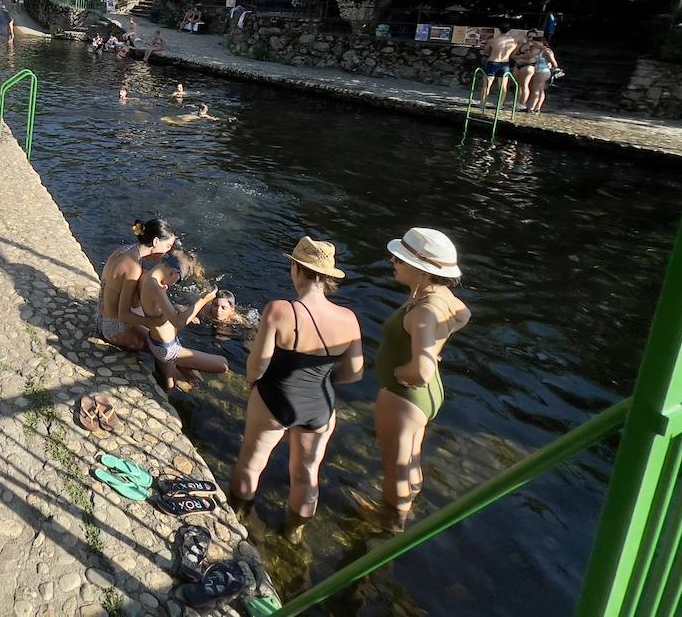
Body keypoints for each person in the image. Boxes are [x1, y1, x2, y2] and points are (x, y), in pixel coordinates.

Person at [229, 237, 364, 543]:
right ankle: (294, 534)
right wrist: (322, 379)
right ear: (328, 277)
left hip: (276, 396)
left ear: (297, 269)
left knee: (251, 462)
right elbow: (354, 373)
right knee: (306, 474)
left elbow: (256, 367)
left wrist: (255, 388)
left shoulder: (280, 311)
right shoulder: (349, 319)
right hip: (320, 404)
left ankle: (238, 518)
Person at [366, 228, 471, 531]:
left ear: (422, 270)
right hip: (425, 397)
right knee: (411, 460)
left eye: (400, 259)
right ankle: (407, 507)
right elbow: (464, 316)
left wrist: (399, 372)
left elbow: (421, 371)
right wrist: (435, 346)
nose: (393, 262)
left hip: (403, 396)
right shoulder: (442, 297)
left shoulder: (425, 311)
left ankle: (390, 525)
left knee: (395, 468)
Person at [127, 220, 225, 392]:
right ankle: (177, 369)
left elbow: (162, 314)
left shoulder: (149, 277)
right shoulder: (156, 286)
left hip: (161, 342)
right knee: (223, 364)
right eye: (178, 281)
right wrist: (203, 300)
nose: (175, 284)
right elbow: (179, 322)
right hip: (166, 348)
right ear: (174, 272)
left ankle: (176, 382)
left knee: (181, 383)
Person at [96, 221, 180, 352]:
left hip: (100, 317)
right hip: (113, 329)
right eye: (168, 246)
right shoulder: (133, 267)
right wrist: (156, 323)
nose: (167, 253)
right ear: (156, 241)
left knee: (147, 278)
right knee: (166, 349)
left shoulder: (126, 250)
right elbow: (124, 315)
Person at [478, 24, 519, 107]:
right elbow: (513, 54)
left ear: (499, 29)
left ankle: (483, 103)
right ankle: (500, 104)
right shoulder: (513, 41)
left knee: (487, 84)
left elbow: (485, 51)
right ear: (509, 30)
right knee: (503, 86)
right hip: (505, 63)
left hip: (493, 62)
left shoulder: (493, 40)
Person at [526, 38, 562, 114]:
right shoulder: (539, 50)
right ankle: (537, 107)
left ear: (542, 43)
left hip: (543, 71)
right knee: (540, 90)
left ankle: (531, 107)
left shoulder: (547, 51)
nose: (534, 45)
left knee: (536, 90)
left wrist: (552, 70)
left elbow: (554, 64)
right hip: (539, 71)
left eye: (536, 43)